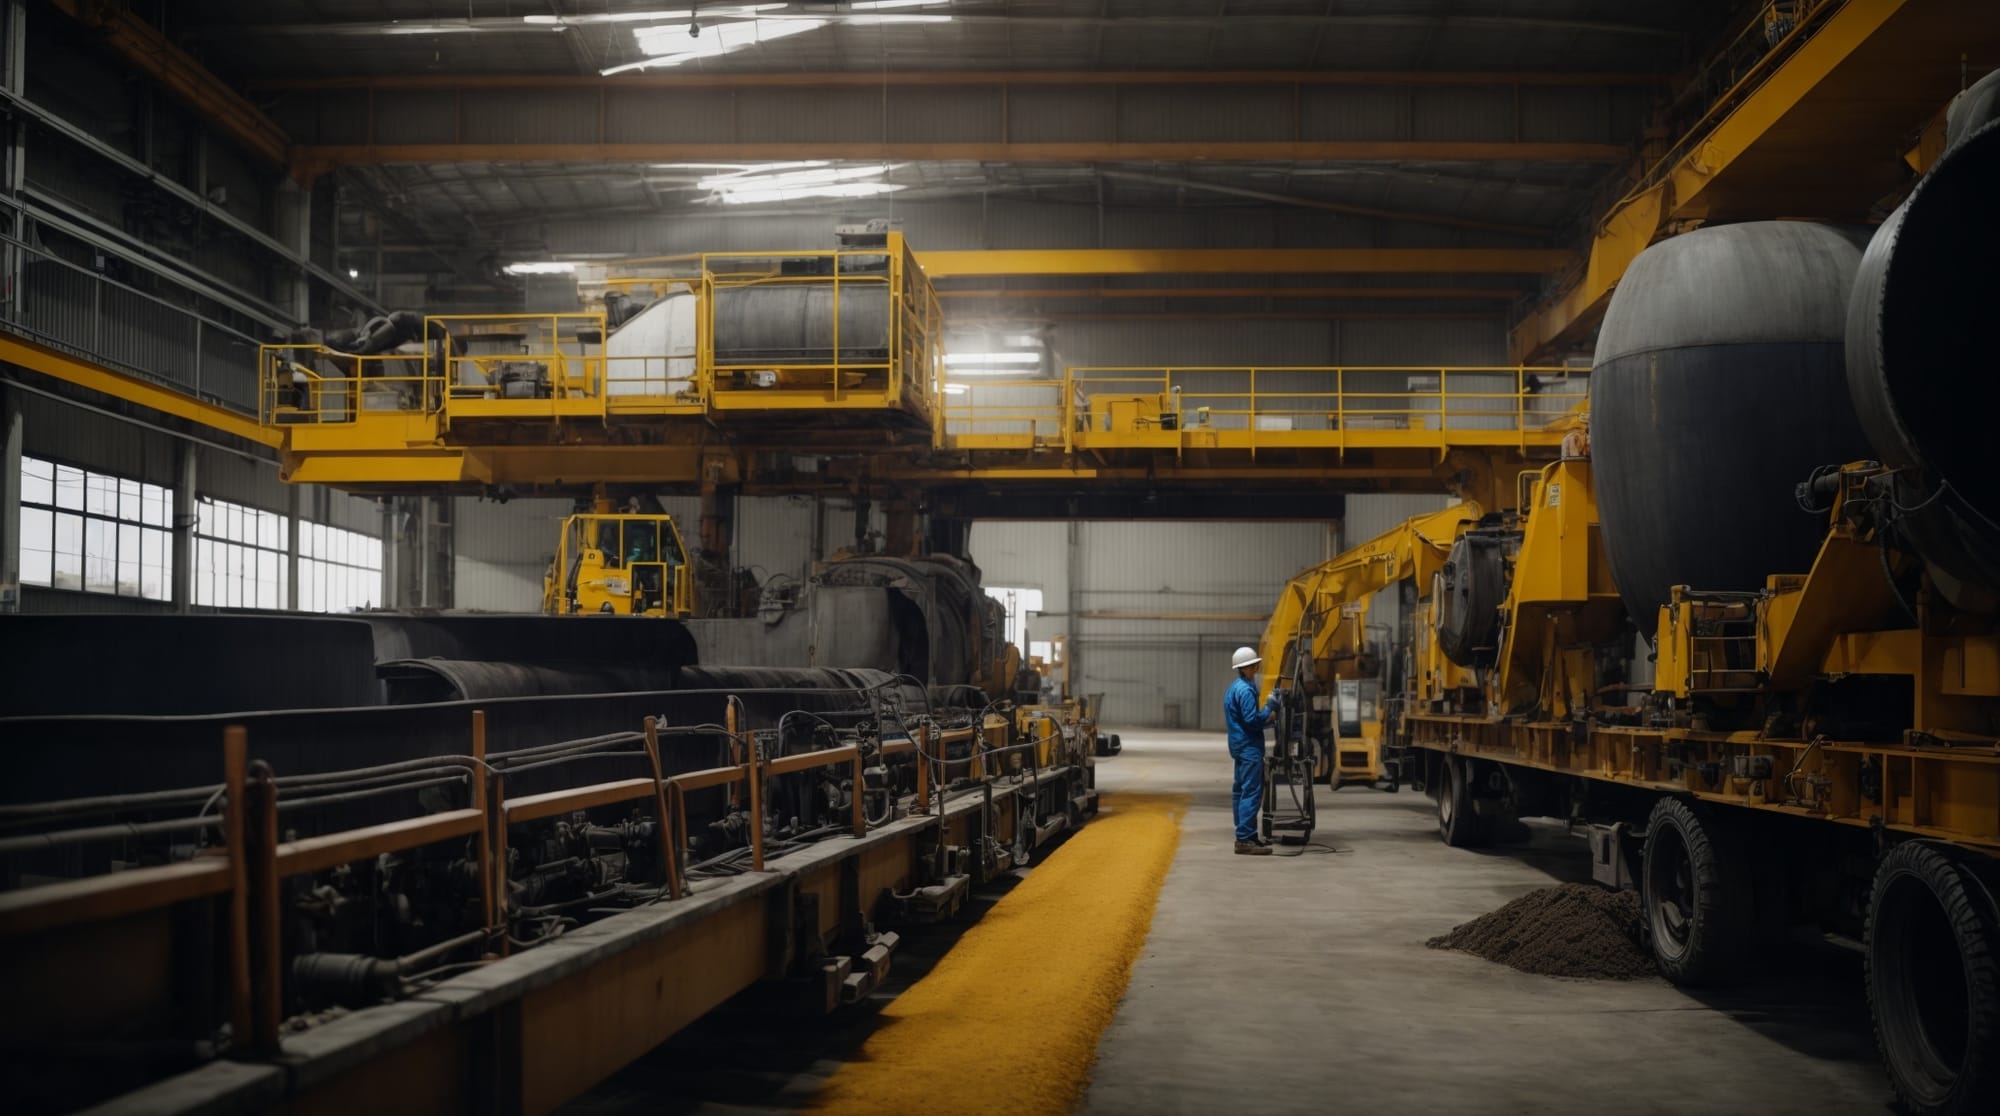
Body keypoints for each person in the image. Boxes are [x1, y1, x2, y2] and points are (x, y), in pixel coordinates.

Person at [1224, 646, 1284, 855]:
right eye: (1254, 665)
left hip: (1238, 745)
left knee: (1239, 791)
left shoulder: (1233, 688)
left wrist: (1267, 719)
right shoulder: (1246, 690)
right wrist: (1269, 710)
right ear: (1247, 667)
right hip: (1249, 747)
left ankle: (1245, 835)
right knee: (1251, 791)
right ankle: (1244, 839)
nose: (1257, 667)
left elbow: (1242, 720)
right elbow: (1251, 720)